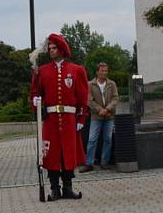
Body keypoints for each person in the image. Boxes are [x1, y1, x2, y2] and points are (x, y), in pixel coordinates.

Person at [29, 33, 89, 201]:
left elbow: (83, 98)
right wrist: (37, 103)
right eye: (49, 48)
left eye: (54, 48)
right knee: (52, 155)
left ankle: (68, 188)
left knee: (68, 155)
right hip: (50, 120)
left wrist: (81, 119)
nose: (51, 51)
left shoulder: (77, 70)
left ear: (62, 49)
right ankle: (55, 189)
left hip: (69, 119)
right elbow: (34, 94)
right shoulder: (41, 71)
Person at [81, 62, 119, 172]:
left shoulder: (112, 84)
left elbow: (115, 98)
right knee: (92, 139)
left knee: (108, 139)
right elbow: (89, 100)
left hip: (109, 116)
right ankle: (89, 163)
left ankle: (104, 162)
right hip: (96, 117)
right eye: (102, 71)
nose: (104, 73)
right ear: (97, 72)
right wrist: (100, 110)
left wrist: (107, 109)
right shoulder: (90, 84)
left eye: (106, 71)